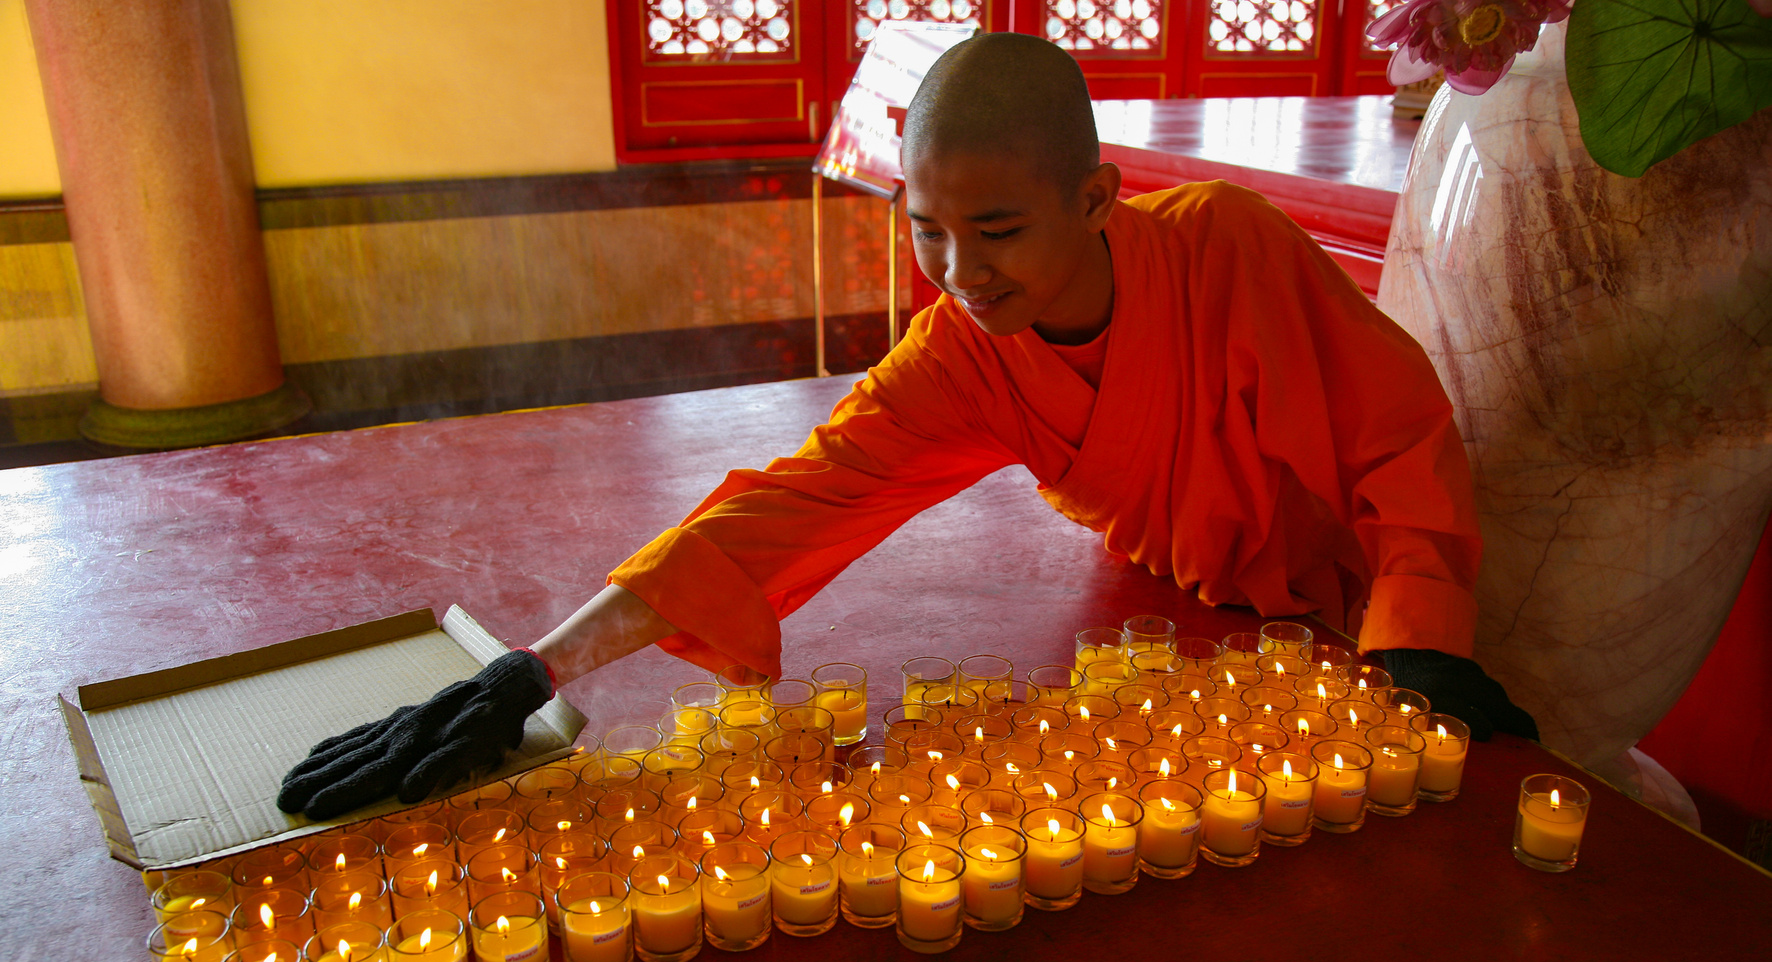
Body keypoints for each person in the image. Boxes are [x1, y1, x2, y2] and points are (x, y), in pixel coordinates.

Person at [277, 33, 1535, 822]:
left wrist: (1416, 638)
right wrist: (536, 666)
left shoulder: (1225, 249)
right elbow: (789, 503)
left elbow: (1395, 434)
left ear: (1095, 199)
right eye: (923, 228)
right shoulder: (960, 358)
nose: (957, 274)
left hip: (1382, 621)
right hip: (1200, 625)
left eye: (996, 233)